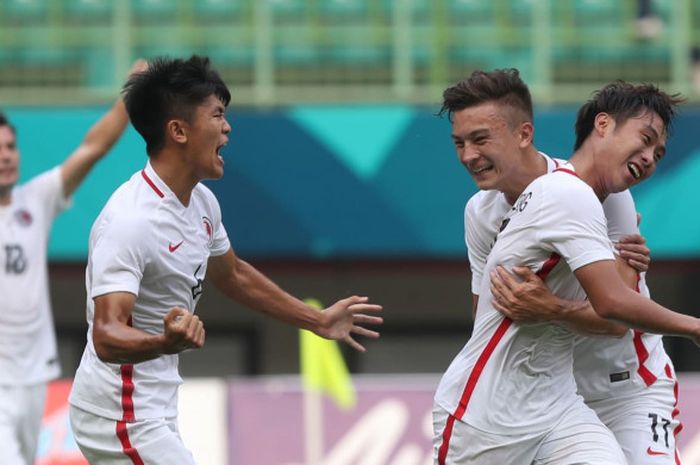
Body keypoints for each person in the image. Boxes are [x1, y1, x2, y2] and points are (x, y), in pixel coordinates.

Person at [67, 55, 383, 464]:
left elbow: (233, 275)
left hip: (155, 404)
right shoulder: (129, 221)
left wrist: (317, 320)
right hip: (117, 412)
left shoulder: (202, 203)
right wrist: (165, 342)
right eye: (217, 115)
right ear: (178, 130)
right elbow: (107, 336)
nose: (228, 128)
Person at [433, 70, 691, 464]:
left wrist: (550, 308)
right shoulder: (482, 212)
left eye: (480, 139)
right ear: (602, 125)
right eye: (461, 143)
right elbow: (486, 315)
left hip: (627, 388)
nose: (469, 155)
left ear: (524, 134)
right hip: (535, 396)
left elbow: (616, 313)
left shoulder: (604, 195)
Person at [0, 60, 147, 465]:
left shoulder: (36, 201)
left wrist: (128, 98)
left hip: (34, 376)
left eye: (10, 146)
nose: (6, 156)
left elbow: (92, 147)